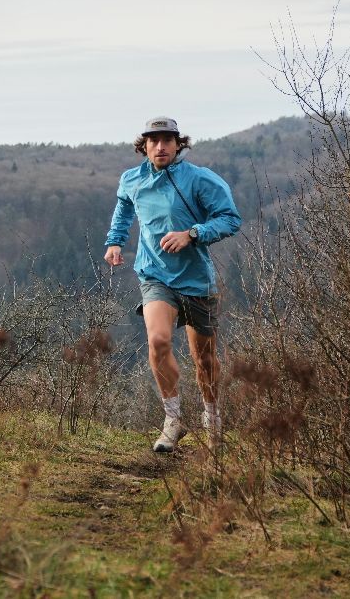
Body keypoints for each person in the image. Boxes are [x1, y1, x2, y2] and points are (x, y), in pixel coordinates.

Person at [104, 117, 241, 452]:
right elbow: (124, 209)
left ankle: (212, 417)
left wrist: (192, 234)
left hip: (196, 280)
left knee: (204, 360)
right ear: (144, 146)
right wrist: (115, 241)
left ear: (179, 144)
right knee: (159, 341)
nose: (161, 146)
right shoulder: (132, 179)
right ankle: (173, 420)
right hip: (155, 275)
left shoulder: (199, 179)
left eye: (167, 140)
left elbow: (230, 219)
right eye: (154, 140)